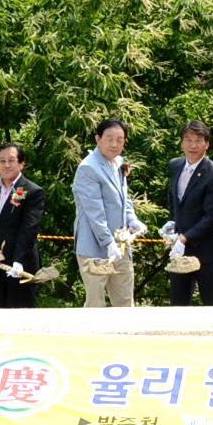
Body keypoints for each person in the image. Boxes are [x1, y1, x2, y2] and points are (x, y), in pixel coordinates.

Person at [75, 119, 145, 308]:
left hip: (121, 245)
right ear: (98, 139)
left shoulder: (119, 162)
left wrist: (132, 218)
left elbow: (124, 198)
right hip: (94, 246)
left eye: (120, 140)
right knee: (96, 303)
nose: (115, 144)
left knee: (125, 301)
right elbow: (94, 212)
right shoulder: (88, 168)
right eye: (109, 139)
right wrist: (108, 242)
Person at [0, 141, 47, 308]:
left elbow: (29, 228)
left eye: (11, 160)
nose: (6, 165)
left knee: (22, 311)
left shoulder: (33, 191)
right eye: (2, 161)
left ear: (21, 163)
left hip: (20, 263)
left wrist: (19, 260)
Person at [163, 122, 213, 306]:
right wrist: (171, 222)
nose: (193, 145)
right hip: (179, 248)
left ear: (207, 144)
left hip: (207, 248)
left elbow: (212, 216)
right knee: (178, 303)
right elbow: (173, 198)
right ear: (182, 142)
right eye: (188, 140)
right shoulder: (175, 165)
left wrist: (184, 238)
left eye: (198, 140)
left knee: (212, 302)